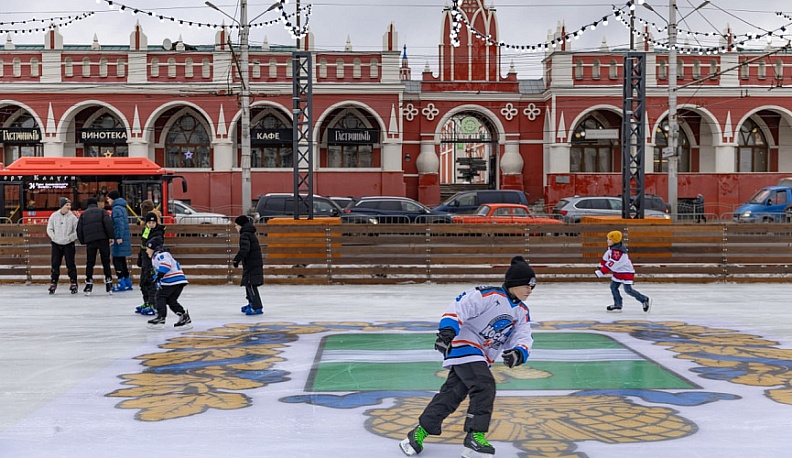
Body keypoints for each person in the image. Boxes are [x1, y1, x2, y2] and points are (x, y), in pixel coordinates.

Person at [399, 256, 536, 458]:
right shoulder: (488, 295)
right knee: (484, 384)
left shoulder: (522, 312)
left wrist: (519, 351)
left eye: (533, 286)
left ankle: (417, 434)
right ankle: (475, 437)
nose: (530, 290)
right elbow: (459, 307)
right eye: (527, 285)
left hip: (482, 356)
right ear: (513, 283)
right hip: (464, 345)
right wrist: (447, 332)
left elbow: (523, 335)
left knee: (451, 395)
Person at [595, 230, 652, 313]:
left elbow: (612, 263)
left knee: (628, 290)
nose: (607, 240)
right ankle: (618, 304)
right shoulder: (612, 249)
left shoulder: (618, 252)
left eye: (609, 239)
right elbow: (606, 257)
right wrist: (601, 266)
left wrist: (601, 272)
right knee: (613, 287)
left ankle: (644, 299)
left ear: (614, 241)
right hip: (618, 272)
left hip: (626, 272)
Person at [145, 236, 192, 330]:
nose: (146, 251)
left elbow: (166, 265)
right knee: (171, 300)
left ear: (152, 248)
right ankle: (184, 316)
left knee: (160, 296)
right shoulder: (159, 256)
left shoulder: (160, 254)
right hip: (178, 280)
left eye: (147, 249)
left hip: (172, 280)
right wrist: (155, 278)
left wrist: (159, 276)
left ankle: (161, 317)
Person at [76, 197, 115, 295]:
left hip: (91, 241)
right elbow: (108, 224)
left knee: (90, 262)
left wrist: (83, 241)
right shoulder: (102, 212)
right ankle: (109, 282)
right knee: (105, 261)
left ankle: (89, 283)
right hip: (103, 239)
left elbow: (79, 229)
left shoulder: (84, 214)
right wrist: (111, 236)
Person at [134, 212, 165, 316]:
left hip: (152, 260)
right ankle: (146, 302)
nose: (151, 224)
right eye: (149, 222)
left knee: (150, 281)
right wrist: (140, 259)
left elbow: (156, 243)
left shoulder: (158, 232)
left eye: (153, 222)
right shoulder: (146, 230)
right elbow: (143, 245)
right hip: (144, 259)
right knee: (143, 282)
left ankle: (153, 304)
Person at [46, 197, 79, 294]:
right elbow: (49, 228)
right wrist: (54, 237)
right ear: (62, 206)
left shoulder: (73, 217)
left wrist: (70, 238)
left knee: (70, 264)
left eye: (69, 205)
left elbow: (76, 231)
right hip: (56, 244)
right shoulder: (54, 216)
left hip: (69, 244)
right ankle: (53, 282)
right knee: (55, 264)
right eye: (66, 205)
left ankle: (73, 282)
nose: (69, 207)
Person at [233, 215, 264, 316]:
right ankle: (251, 303)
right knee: (248, 283)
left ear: (241, 225)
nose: (235, 227)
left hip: (252, 263)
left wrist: (236, 260)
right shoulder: (249, 233)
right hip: (252, 262)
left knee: (251, 284)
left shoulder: (245, 235)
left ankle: (257, 307)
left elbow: (244, 249)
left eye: (236, 225)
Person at [107, 190, 133, 292]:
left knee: (117, 260)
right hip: (123, 238)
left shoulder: (116, 209)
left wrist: (118, 237)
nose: (108, 200)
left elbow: (119, 224)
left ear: (113, 198)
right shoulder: (121, 208)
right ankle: (127, 282)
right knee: (122, 260)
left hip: (119, 239)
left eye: (108, 198)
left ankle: (121, 282)